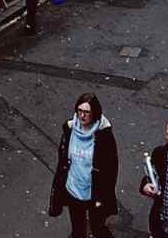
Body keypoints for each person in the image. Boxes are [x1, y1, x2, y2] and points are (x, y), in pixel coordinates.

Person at [48, 93, 119, 238]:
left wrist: (103, 196)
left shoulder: (103, 135)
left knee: (97, 228)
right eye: (79, 111)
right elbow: (63, 160)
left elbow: (111, 169)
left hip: (94, 191)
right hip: (74, 188)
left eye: (87, 112)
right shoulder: (70, 128)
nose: (82, 116)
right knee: (78, 230)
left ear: (95, 113)